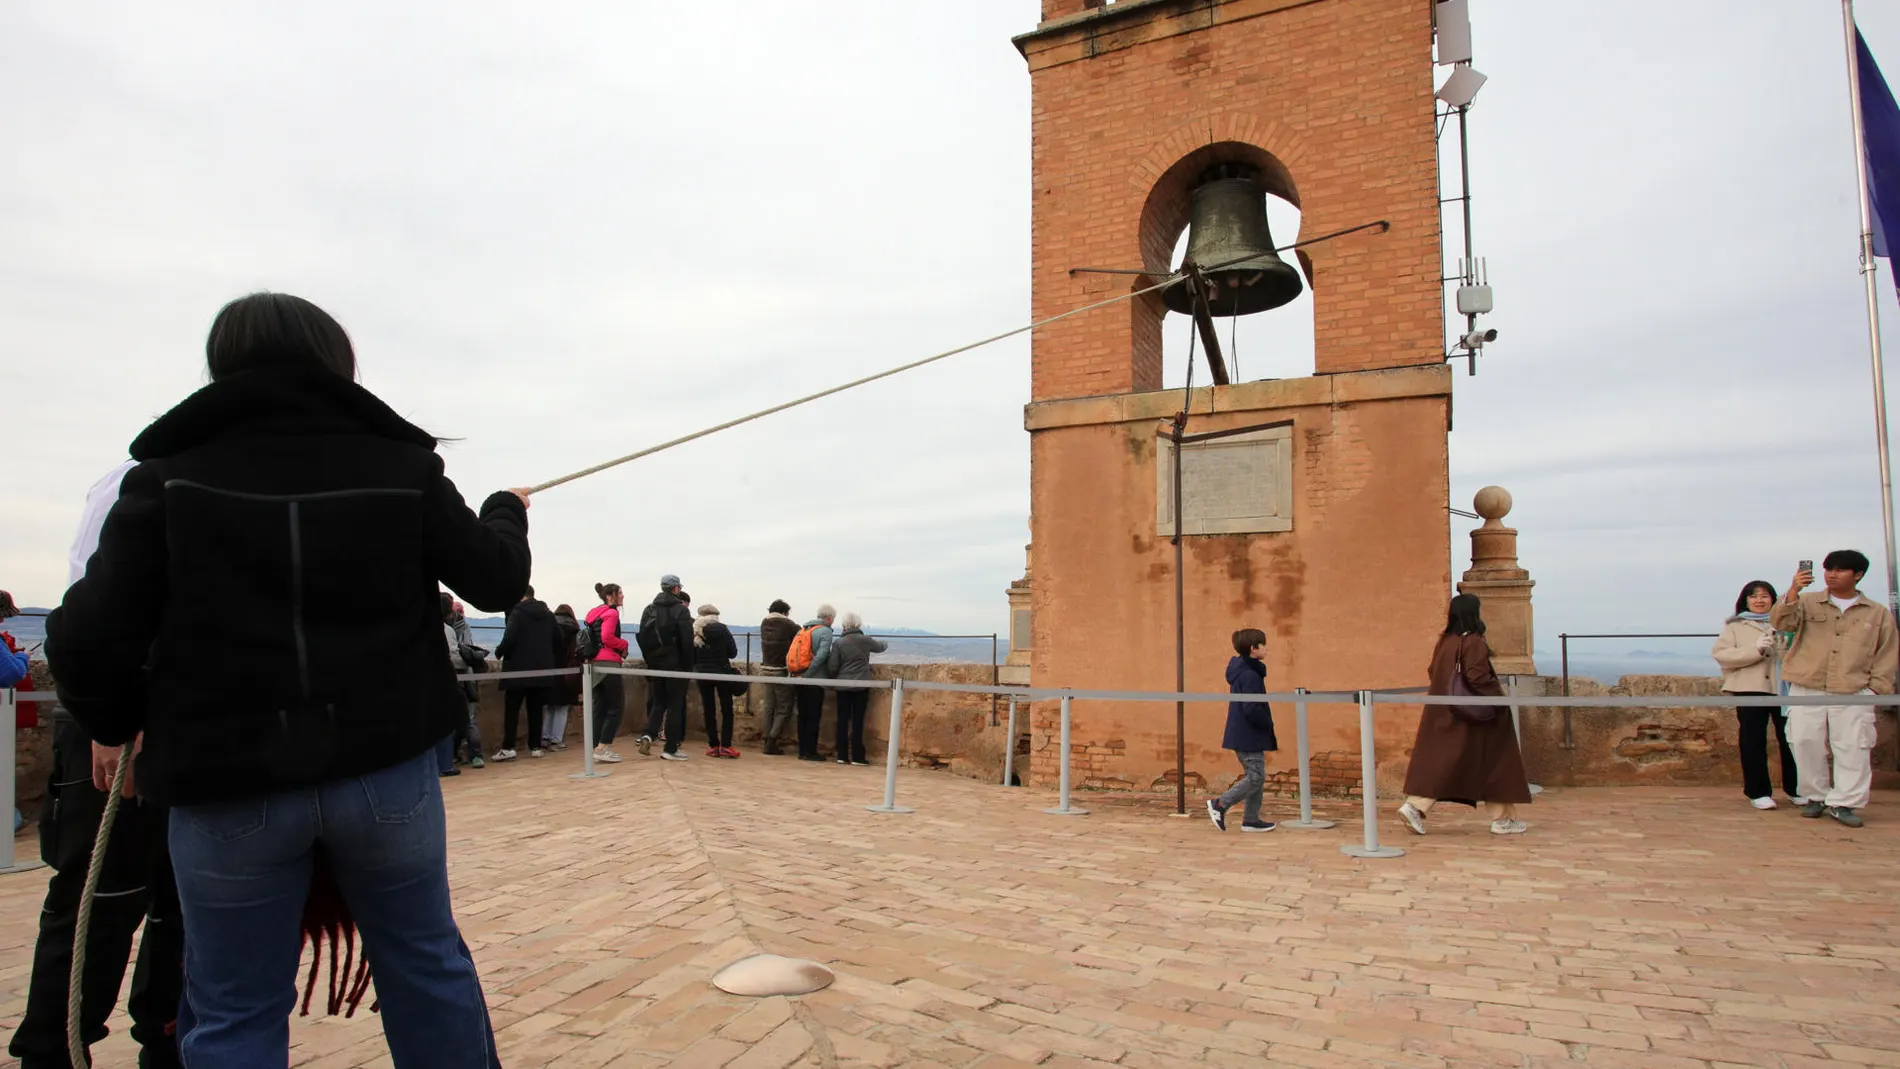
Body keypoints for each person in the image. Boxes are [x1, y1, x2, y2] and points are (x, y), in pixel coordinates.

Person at [43, 292, 529, 1067]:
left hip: (224, 778)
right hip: (384, 773)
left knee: (233, 1003)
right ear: (336, 360)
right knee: (425, 967)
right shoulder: (400, 462)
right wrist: (506, 509)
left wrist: (123, 715)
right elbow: (497, 577)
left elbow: (83, 638)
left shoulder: (168, 474)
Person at [10, 462, 187, 1069]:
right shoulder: (136, 481)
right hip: (117, 726)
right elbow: (88, 616)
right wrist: (110, 724)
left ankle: (167, 1045)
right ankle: (53, 1053)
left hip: (190, 732)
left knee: (183, 909)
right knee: (101, 906)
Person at [1771, 550, 1899, 828]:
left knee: (1853, 747)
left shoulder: (1877, 613)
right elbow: (1781, 622)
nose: (1832, 574)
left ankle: (1845, 802)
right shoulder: (1806, 602)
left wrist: (1875, 689)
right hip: (1808, 685)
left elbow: (1887, 653)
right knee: (1804, 742)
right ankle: (1814, 796)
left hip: (1853, 689)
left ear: (1858, 575)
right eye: (1829, 568)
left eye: (1840, 570)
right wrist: (1794, 589)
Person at [1397, 594, 1532, 836]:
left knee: (1449, 761)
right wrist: (1500, 701)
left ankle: (1417, 806)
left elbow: (1433, 671)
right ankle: (1501, 819)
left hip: (1445, 712)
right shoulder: (1473, 643)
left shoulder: (1445, 642)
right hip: (1477, 716)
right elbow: (1477, 676)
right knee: (1494, 762)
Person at [1712, 580, 1802, 810]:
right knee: (1752, 740)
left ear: (1773, 599)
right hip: (1750, 687)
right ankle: (1758, 791)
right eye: (1754, 596)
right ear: (1746, 600)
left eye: (1764, 596)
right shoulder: (1735, 625)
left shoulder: (1784, 622)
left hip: (1785, 687)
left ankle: (1798, 788)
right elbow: (1723, 655)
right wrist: (1756, 650)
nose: (1759, 601)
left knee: (1793, 738)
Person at [1206, 627, 1277, 833]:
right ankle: (1220, 804)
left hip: (1246, 733)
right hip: (1248, 734)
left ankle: (1251, 819)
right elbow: (1252, 707)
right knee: (1256, 777)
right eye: (1263, 645)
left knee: (1256, 776)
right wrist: (1267, 724)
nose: (1266, 649)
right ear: (1253, 648)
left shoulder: (1247, 671)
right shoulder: (1249, 675)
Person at [494, 585, 561, 759]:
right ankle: (536, 746)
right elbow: (558, 641)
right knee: (536, 710)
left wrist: (499, 652)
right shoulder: (548, 614)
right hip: (541, 670)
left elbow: (509, 638)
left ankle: (509, 747)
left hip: (517, 670)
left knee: (512, 710)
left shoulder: (517, 612)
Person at [636, 575, 696, 760]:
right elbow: (687, 642)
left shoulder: (649, 609)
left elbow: (643, 638)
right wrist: (687, 666)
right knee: (675, 706)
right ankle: (670, 748)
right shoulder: (681, 611)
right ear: (676, 589)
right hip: (676, 666)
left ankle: (648, 734)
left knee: (659, 702)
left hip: (656, 665)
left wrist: (651, 662)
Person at [826, 612, 886, 765]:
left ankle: (842, 755)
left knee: (842, 720)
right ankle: (858, 756)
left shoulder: (839, 643)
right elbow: (880, 647)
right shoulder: (865, 640)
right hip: (861, 685)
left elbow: (833, 667)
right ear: (858, 625)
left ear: (844, 626)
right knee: (858, 720)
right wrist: (884, 641)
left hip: (843, 686)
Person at [585, 583, 630, 763]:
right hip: (609, 662)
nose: (622, 596)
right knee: (616, 707)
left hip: (595, 662)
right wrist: (624, 644)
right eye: (620, 593)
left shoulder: (593, 614)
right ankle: (603, 747)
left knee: (599, 707)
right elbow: (607, 637)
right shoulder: (611, 613)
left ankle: (595, 747)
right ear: (610, 595)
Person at [444, 598, 488, 769]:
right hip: (462, 677)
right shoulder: (458, 628)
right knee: (466, 719)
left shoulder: (456, 629)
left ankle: (472, 755)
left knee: (466, 719)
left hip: (461, 677)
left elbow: (463, 652)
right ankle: (467, 755)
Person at [693, 604, 741, 757]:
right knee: (727, 710)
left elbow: (692, 653)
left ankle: (713, 745)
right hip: (722, 672)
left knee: (709, 710)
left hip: (702, 674)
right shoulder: (722, 629)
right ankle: (726, 745)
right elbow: (732, 653)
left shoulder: (695, 631)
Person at [793, 605, 838, 761]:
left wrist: (797, 675)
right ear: (829, 618)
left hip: (798, 678)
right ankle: (810, 751)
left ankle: (801, 750)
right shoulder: (825, 631)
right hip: (814, 680)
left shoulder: (803, 630)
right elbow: (823, 655)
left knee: (802, 716)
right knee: (813, 716)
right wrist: (809, 674)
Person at [758, 600, 799, 754]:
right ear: (784, 612)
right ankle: (771, 740)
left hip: (765, 669)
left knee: (769, 707)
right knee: (783, 708)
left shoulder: (764, 623)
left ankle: (766, 739)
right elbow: (800, 633)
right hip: (780, 670)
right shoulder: (788, 624)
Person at [544, 603, 581, 750]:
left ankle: (545, 737)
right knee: (562, 708)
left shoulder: (549, 627)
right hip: (567, 672)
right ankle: (556, 740)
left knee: (550, 706)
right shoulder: (573, 630)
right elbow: (578, 651)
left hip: (550, 670)